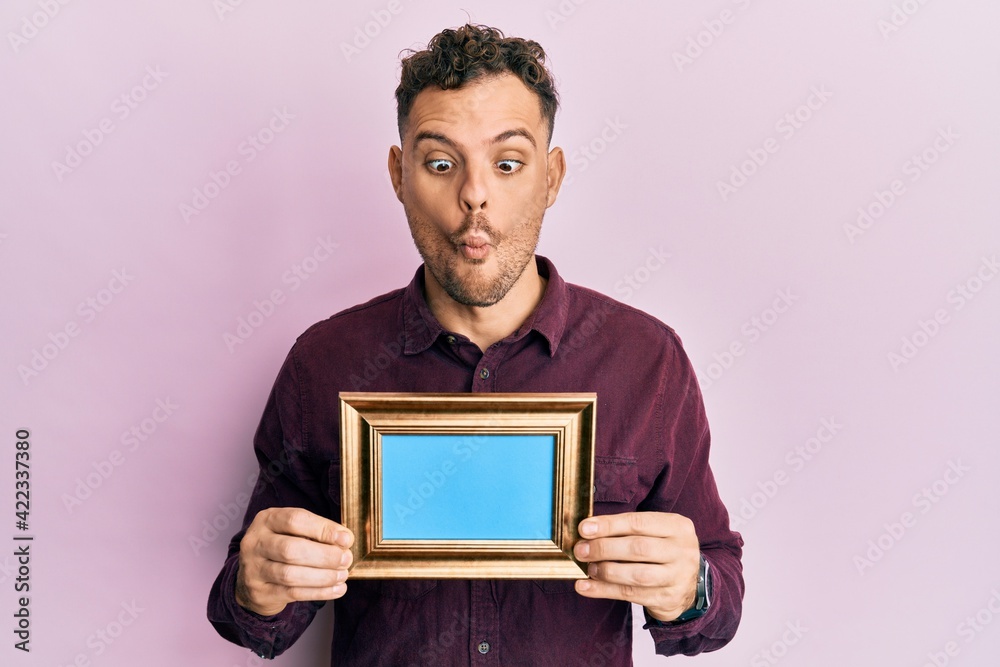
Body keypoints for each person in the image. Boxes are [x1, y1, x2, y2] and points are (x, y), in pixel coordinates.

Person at [207, 22, 744, 665]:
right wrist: (254, 584)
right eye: (440, 163)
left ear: (551, 177)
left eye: (508, 163)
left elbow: (719, 592)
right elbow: (251, 619)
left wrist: (693, 587)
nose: (474, 195)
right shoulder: (324, 364)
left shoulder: (646, 360)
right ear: (399, 174)